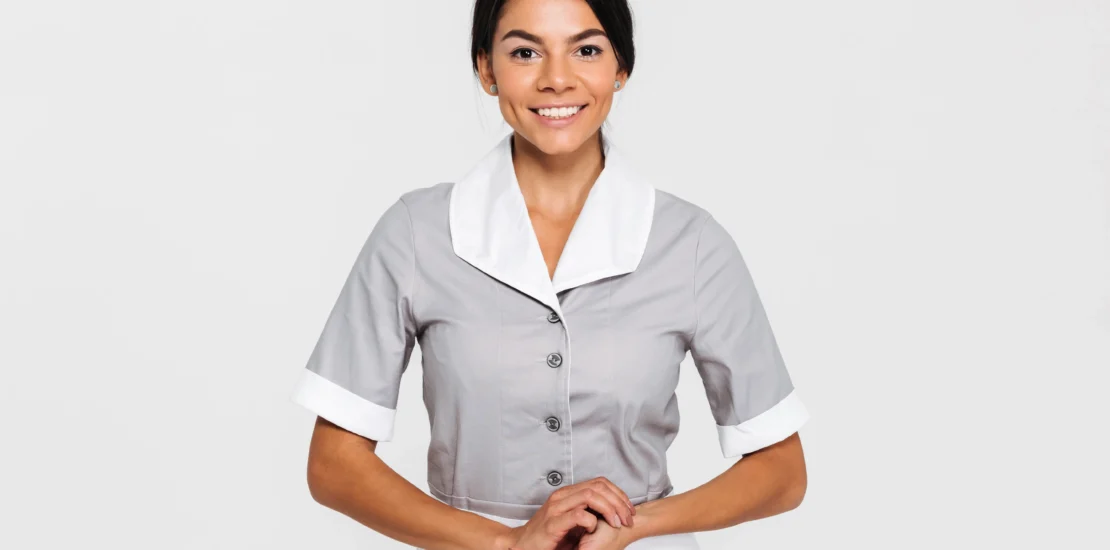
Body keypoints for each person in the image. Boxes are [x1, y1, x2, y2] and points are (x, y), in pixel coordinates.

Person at [290, 0, 810, 548]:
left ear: (620, 69)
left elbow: (782, 471)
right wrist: (506, 543)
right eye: (525, 52)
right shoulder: (417, 234)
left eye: (586, 50)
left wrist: (636, 524)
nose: (557, 79)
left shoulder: (692, 243)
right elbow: (333, 465)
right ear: (487, 70)